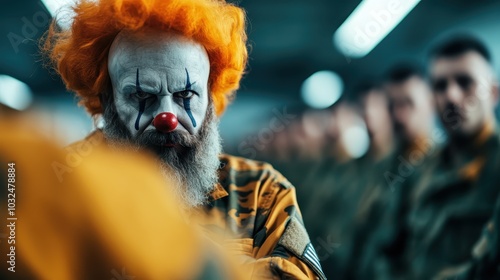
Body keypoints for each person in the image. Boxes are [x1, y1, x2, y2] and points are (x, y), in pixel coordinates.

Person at [43, 0, 325, 279]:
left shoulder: (264, 191)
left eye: (186, 96)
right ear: (108, 101)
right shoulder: (58, 187)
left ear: (211, 98)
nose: (167, 118)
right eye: (142, 95)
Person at [378, 35, 500, 280]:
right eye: (440, 86)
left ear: (494, 93)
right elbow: (389, 250)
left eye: (466, 83)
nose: (452, 96)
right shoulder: (418, 169)